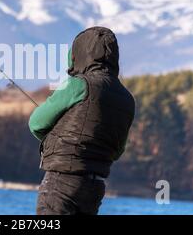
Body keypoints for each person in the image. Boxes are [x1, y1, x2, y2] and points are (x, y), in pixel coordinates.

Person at [29, 26, 135, 215]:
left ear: (79, 53)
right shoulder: (127, 99)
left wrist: (55, 139)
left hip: (61, 182)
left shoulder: (78, 83)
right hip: (94, 187)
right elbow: (117, 151)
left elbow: (36, 123)